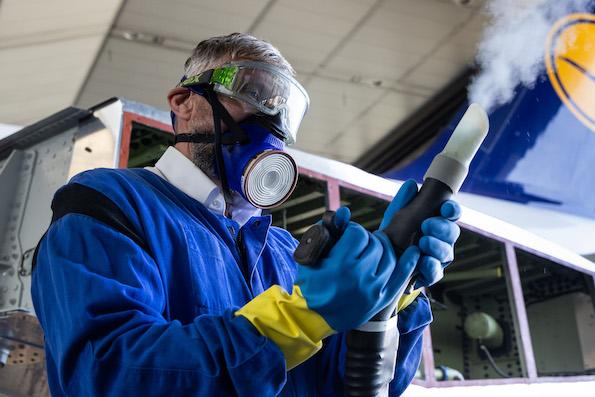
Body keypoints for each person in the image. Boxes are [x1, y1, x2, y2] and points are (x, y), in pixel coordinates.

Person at [31, 33, 461, 396]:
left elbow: (340, 384)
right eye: (254, 94)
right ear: (185, 102)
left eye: (285, 110)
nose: (271, 121)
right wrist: (295, 319)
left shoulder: (286, 250)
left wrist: (393, 293)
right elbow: (107, 375)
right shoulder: (112, 204)